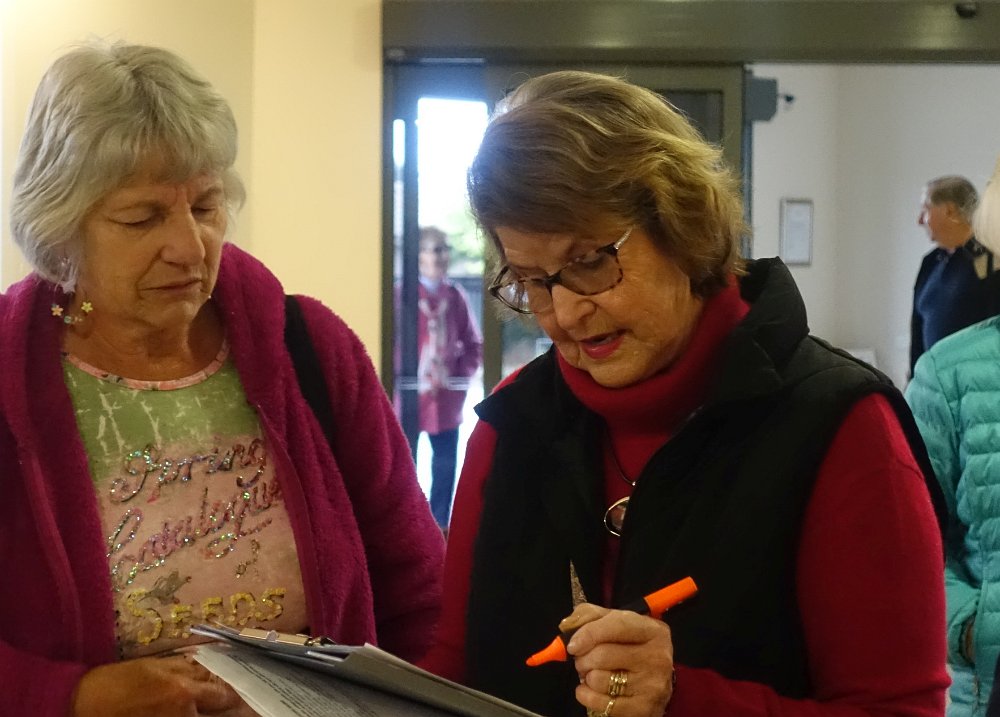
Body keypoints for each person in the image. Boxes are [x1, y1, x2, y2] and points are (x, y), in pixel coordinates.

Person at [419, 70, 949, 717]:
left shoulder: (842, 426)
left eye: (590, 262)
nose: (565, 313)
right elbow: (453, 670)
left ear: (681, 222)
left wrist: (684, 697)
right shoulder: (512, 420)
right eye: (532, 280)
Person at [0, 40, 444, 717]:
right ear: (60, 229)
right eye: (143, 217)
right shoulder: (11, 380)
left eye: (206, 207)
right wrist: (76, 696)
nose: (189, 246)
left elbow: (419, 591)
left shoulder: (310, 349)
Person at [907, 155, 1000, 717]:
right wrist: (970, 627)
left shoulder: (978, 270)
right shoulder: (952, 372)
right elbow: (907, 542)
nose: (921, 219)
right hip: (986, 685)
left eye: (928, 208)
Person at [413, 226, 483, 529]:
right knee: (405, 464)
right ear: (419, 255)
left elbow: (474, 344)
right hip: (411, 396)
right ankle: (411, 524)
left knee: (444, 466)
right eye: (435, 249)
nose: (442, 257)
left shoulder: (455, 296)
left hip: (447, 398)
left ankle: (439, 526)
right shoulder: (403, 295)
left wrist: (459, 376)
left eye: (445, 250)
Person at [910, 174, 1000, 375]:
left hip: (976, 384)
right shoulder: (930, 263)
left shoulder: (992, 262)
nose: (920, 220)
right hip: (931, 384)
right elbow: (917, 331)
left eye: (925, 210)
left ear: (949, 210)